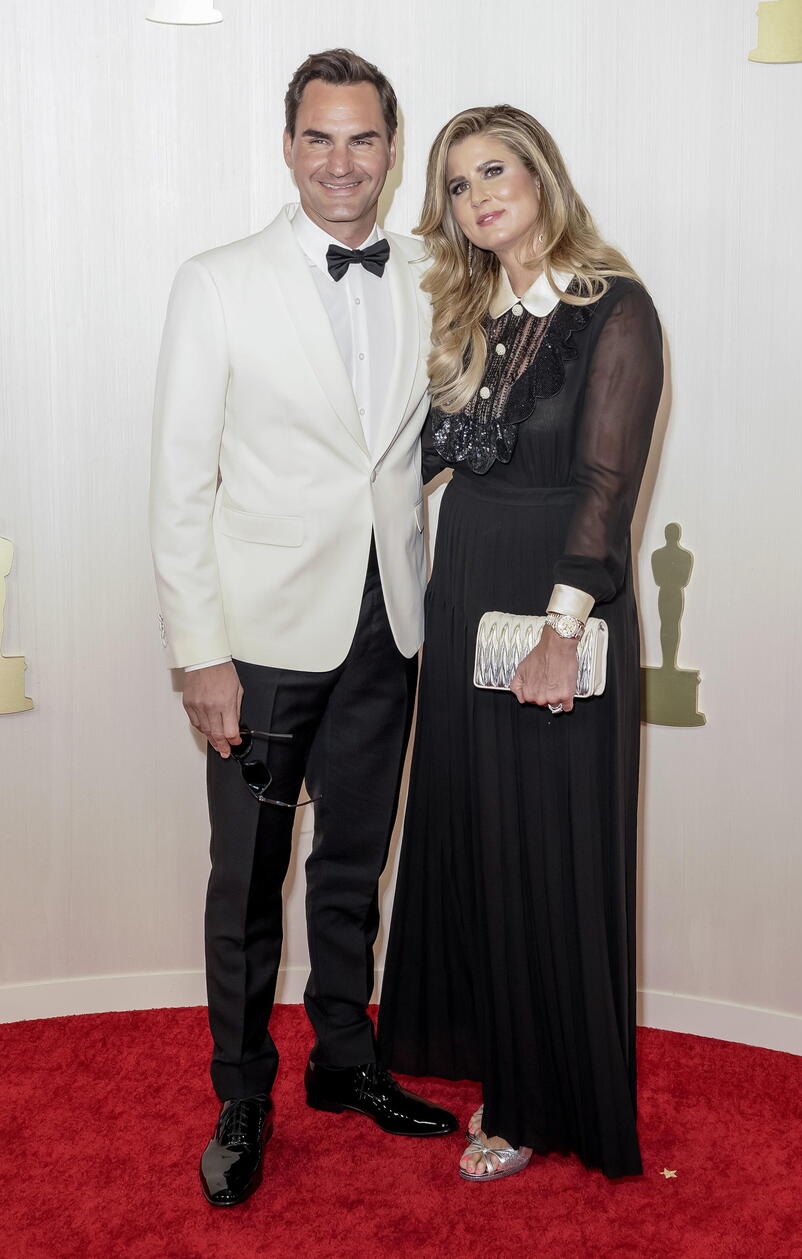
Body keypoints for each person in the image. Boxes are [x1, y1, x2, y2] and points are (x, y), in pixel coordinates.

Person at [149, 48, 457, 1208]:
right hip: (260, 639)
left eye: (364, 139)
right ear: (288, 147)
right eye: (319, 138)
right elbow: (180, 481)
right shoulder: (218, 280)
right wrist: (200, 653)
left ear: (391, 145)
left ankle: (344, 1057)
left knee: (352, 860)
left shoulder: (434, 268)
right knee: (247, 879)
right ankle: (242, 1095)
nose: (342, 162)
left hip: (391, 620)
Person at [377, 105, 664, 1182]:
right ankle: (500, 1053)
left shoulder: (613, 308)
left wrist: (561, 631)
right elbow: (419, 463)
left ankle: (541, 1102)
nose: (478, 195)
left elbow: (605, 486)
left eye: (495, 169)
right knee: (482, 835)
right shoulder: (469, 311)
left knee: (547, 848)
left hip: (552, 602)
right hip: (466, 595)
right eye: (457, 184)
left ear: (541, 175)